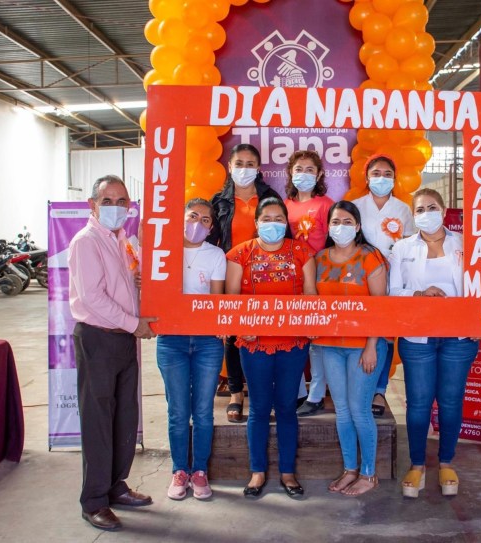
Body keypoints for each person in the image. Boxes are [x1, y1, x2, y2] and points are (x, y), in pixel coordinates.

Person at [69, 175, 156, 531]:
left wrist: (140, 284)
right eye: (108, 201)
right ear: (92, 205)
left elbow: (127, 286)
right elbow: (93, 297)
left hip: (123, 339)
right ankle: (94, 501)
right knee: (98, 421)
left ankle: (116, 485)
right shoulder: (86, 242)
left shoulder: (123, 241)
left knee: (124, 416)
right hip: (98, 338)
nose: (116, 208)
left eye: (122, 201)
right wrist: (134, 323)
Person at [389, 188, 479, 499]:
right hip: (417, 337)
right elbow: (392, 292)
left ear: (443, 209)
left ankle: (446, 463)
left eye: (432, 207)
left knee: (451, 401)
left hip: (459, 337)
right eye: (420, 209)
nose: (426, 213)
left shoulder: (466, 244)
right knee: (418, 403)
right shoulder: (402, 248)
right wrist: (418, 294)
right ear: (413, 215)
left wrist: (479, 321)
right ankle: (417, 464)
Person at [225, 197, 317, 499]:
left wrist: (307, 325)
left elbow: (310, 294)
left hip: (293, 343)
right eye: (267, 218)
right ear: (257, 222)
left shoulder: (303, 252)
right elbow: (232, 297)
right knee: (259, 407)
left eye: (279, 219)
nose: (272, 224)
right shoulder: (239, 254)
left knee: (287, 406)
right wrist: (242, 327)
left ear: (286, 223)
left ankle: (288, 472)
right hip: (254, 344)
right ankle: (257, 472)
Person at [314, 201, 387, 496]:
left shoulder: (371, 257)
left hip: (364, 346)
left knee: (359, 409)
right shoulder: (319, 259)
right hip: (330, 345)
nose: (340, 227)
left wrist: (371, 345)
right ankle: (350, 469)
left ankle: (369, 474)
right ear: (328, 226)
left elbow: (380, 307)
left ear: (357, 227)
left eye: (347, 222)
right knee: (342, 410)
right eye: (335, 222)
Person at [155, 199, 225, 501]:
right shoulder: (163, 251)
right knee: (178, 411)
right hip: (172, 341)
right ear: (181, 218)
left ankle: (199, 471)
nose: (198, 223)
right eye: (193, 216)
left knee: (204, 411)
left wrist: (219, 326)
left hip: (207, 342)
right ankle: (179, 470)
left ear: (211, 227)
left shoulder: (216, 255)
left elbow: (216, 300)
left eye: (205, 220)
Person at [209, 144, 281, 423]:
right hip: (232, 273)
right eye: (239, 163)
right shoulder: (219, 201)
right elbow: (210, 241)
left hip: (266, 273)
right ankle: (236, 393)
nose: (244, 169)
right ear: (229, 166)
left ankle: (266, 393)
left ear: (259, 168)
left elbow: (282, 232)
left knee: (266, 332)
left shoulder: (270, 197)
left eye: (250, 164)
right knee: (233, 334)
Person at [352, 154, 415, 417]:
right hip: (359, 275)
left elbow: (411, 243)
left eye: (387, 174)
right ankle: (359, 385)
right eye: (376, 173)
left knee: (386, 333)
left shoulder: (403, 209)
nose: (381, 178)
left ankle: (379, 389)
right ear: (367, 178)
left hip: (392, 277)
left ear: (394, 178)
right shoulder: (355, 206)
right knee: (361, 330)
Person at [282, 149, 334, 417]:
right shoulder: (285, 205)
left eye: (310, 169)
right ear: (291, 173)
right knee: (293, 334)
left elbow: (334, 242)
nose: (304, 174)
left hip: (320, 276)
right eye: (299, 169)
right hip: (291, 277)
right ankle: (297, 392)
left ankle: (316, 394)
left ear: (319, 174)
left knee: (317, 337)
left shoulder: (326, 205)